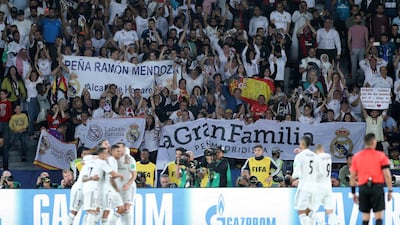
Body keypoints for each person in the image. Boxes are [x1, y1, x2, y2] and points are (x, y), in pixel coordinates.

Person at [350, 133, 393, 225]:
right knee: (378, 217)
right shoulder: (381, 156)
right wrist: (390, 190)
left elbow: (352, 177)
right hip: (377, 187)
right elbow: (387, 174)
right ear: (374, 142)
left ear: (364, 143)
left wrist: (353, 193)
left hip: (364, 188)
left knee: (365, 217)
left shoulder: (356, 157)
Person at [292, 135, 320, 225]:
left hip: (304, 186)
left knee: (301, 211)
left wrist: (293, 179)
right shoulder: (315, 156)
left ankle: (319, 220)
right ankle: (317, 219)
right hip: (315, 186)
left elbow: (296, 174)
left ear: (302, 144)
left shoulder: (299, 156)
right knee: (309, 210)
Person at [312, 144, 339, 225]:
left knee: (309, 210)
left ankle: (321, 222)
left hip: (319, 186)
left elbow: (316, 172)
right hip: (328, 186)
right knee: (330, 211)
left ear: (316, 151)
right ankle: (337, 223)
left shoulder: (316, 158)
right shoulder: (328, 156)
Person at [116, 142, 137, 225]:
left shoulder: (130, 160)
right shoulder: (115, 159)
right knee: (121, 207)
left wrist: (128, 184)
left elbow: (134, 175)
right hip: (120, 186)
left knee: (127, 207)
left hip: (128, 186)